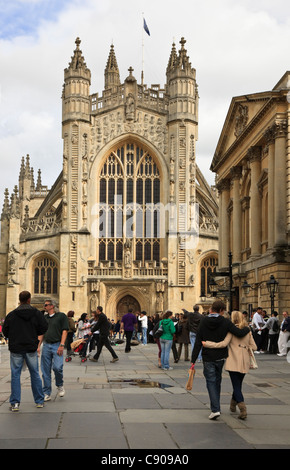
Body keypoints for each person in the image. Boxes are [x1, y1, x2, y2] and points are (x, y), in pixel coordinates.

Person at [191, 299, 250, 420]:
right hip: (220, 356)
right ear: (222, 310)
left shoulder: (204, 320)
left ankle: (215, 409)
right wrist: (248, 329)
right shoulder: (225, 321)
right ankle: (216, 407)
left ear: (212, 309)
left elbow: (198, 341)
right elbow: (238, 333)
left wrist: (193, 359)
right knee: (217, 381)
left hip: (208, 356)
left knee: (211, 382)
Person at [202, 310, 257, 420]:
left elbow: (223, 344)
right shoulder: (248, 331)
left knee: (236, 385)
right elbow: (254, 347)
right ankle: (232, 404)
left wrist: (207, 343)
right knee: (238, 384)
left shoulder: (231, 331)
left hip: (233, 360)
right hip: (244, 360)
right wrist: (245, 348)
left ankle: (242, 408)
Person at [2, 291, 48, 412]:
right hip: (30, 347)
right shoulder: (36, 313)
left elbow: (5, 332)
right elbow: (44, 327)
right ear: (29, 300)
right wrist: (33, 334)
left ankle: (15, 403)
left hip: (16, 348)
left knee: (15, 375)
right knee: (35, 374)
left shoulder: (11, 315)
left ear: (19, 299)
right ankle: (39, 401)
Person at [39, 299, 69, 401]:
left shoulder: (61, 316)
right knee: (45, 370)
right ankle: (46, 392)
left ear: (52, 306)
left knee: (57, 367)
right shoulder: (44, 318)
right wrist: (38, 346)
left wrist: (62, 345)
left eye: (46, 305)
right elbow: (42, 333)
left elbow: (65, 331)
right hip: (46, 345)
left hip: (57, 345)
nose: (44, 307)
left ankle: (59, 385)